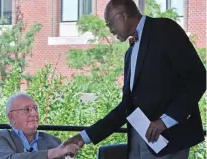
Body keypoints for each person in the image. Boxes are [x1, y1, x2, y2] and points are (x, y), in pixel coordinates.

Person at [63, 0, 206, 159]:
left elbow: (198, 78)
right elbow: (126, 106)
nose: (110, 30)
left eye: (110, 24)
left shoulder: (165, 29)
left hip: (170, 141)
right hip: (138, 142)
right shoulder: (130, 53)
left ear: (122, 16)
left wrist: (165, 120)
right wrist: (84, 136)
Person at [0, 93, 79, 159]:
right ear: (12, 117)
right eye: (27, 109)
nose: (34, 113)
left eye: (35, 108)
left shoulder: (53, 141)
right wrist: (52, 153)